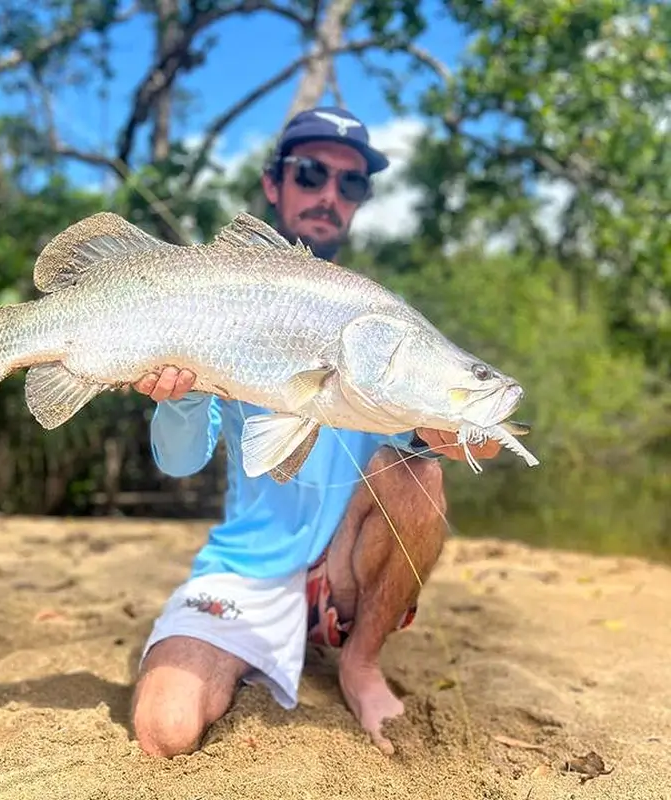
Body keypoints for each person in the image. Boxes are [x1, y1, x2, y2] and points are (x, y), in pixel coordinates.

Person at [129, 106, 501, 757]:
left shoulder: (383, 321)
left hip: (343, 570)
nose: (329, 195)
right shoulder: (221, 296)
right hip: (247, 570)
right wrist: (179, 396)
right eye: (310, 174)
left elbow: (465, 444)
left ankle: (358, 663)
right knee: (164, 731)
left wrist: (464, 429)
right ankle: (255, 646)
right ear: (274, 184)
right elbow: (181, 463)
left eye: (350, 184)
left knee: (421, 475)